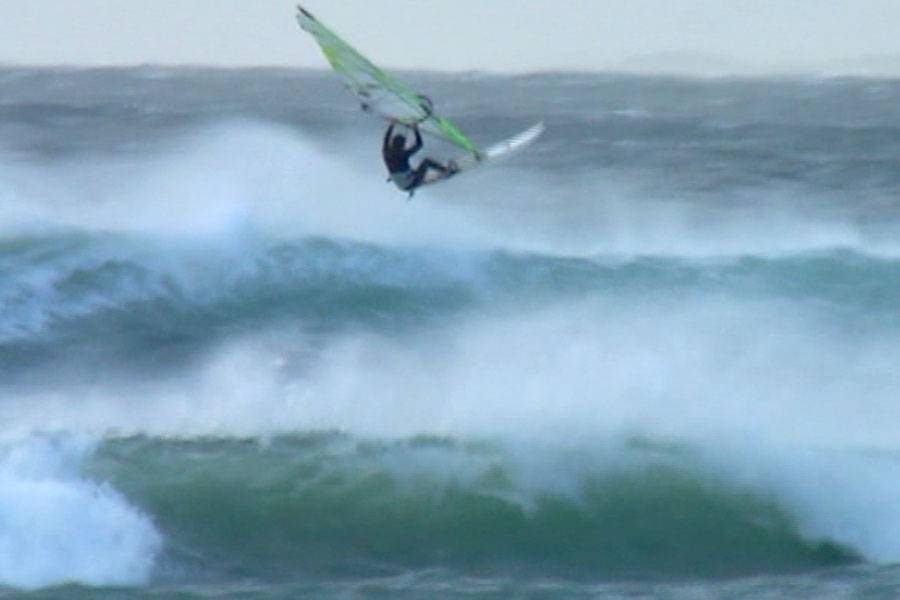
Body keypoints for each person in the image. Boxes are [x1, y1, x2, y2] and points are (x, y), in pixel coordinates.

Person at [382, 122, 457, 196]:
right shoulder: (402, 154)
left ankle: (409, 178)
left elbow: (386, 139)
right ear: (401, 146)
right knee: (427, 162)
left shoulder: (386, 152)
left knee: (405, 170)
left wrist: (391, 125)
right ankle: (446, 171)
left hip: (402, 182)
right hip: (410, 184)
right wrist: (415, 129)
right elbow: (419, 144)